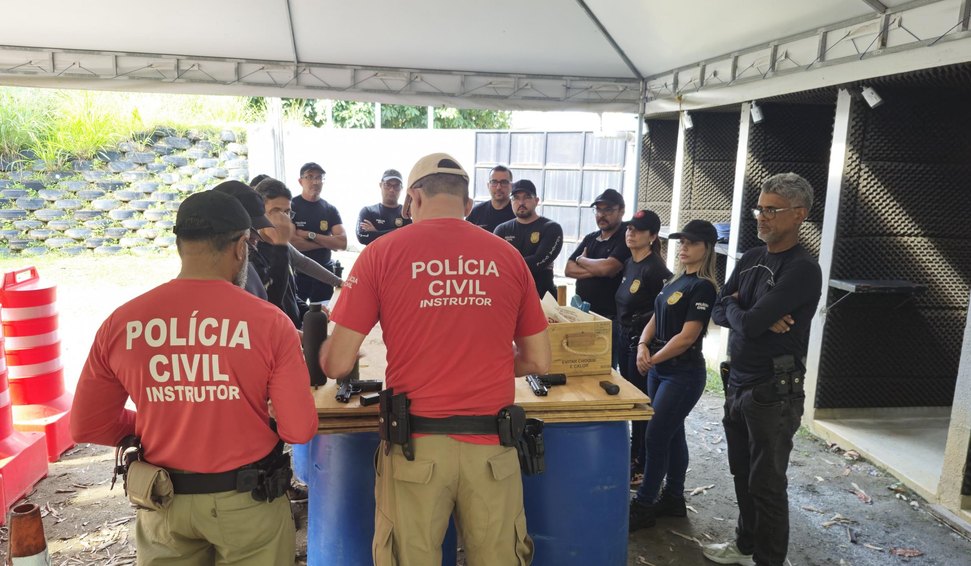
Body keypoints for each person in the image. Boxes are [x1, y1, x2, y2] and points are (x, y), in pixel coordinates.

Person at [321, 152, 550, 566]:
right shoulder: (508, 257)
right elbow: (538, 361)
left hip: (416, 449)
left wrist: (318, 345)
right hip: (492, 449)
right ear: (467, 204)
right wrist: (489, 361)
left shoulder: (380, 254)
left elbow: (337, 365)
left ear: (413, 199)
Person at [70, 190, 319, 564]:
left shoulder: (122, 322)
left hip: (162, 500)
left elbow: (87, 424)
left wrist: (166, 418)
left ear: (180, 246)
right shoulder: (270, 323)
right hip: (248, 504)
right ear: (241, 247)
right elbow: (299, 429)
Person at [704, 173, 822, 566]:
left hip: (773, 391)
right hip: (737, 382)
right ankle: (745, 546)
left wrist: (745, 313)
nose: (762, 217)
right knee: (741, 473)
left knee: (767, 485)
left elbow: (750, 323)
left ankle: (769, 560)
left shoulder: (803, 269)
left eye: (772, 210)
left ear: (799, 214)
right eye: (760, 209)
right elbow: (719, 309)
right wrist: (742, 310)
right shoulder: (752, 258)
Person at [628, 219, 719, 531]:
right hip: (661, 369)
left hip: (683, 372)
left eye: (692, 243)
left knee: (655, 436)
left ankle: (645, 504)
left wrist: (652, 358)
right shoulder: (675, 280)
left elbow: (687, 336)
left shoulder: (703, 287)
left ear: (707, 248)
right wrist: (643, 345)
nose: (684, 247)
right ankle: (674, 498)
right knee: (672, 433)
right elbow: (656, 317)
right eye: (682, 242)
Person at [615, 209, 672, 482]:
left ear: (652, 236)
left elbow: (666, 307)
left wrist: (644, 337)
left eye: (638, 230)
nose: (631, 233)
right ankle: (634, 453)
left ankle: (641, 463)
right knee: (630, 400)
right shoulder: (630, 263)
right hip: (624, 336)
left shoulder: (655, 268)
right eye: (629, 228)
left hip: (640, 343)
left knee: (640, 403)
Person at [255, 177, 342, 327]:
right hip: (280, 334)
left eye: (287, 212)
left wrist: (308, 310)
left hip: (295, 329)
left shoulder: (284, 247)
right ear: (259, 213)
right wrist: (281, 245)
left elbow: (290, 293)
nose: (283, 219)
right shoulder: (253, 254)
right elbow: (271, 300)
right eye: (275, 211)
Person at [564, 188, 631, 367]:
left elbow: (609, 267)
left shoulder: (625, 237)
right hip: (583, 315)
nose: (602, 215)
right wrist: (597, 269)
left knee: (604, 368)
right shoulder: (591, 238)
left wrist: (582, 260)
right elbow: (568, 269)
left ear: (622, 210)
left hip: (609, 319)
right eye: (598, 210)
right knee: (581, 364)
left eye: (608, 210)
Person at [494, 179, 564, 299]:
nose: (521, 202)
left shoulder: (551, 228)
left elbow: (538, 261)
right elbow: (495, 264)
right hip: (509, 296)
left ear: (536, 201)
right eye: (516, 198)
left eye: (527, 197)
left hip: (542, 299)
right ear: (511, 202)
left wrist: (507, 265)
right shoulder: (502, 230)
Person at [289, 162, 347, 303]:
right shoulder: (291, 206)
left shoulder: (330, 209)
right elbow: (293, 243)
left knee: (324, 313)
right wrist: (327, 242)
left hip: (324, 274)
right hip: (298, 274)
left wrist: (310, 235)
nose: (315, 182)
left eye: (319, 177)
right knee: (295, 314)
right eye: (310, 177)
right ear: (300, 181)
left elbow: (342, 243)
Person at [357, 168, 412, 245]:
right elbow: (363, 238)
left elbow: (410, 237)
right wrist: (401, 231)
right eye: (387, 185)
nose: (392, 190)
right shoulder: (368, 211)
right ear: (380, 185)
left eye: (396, 186)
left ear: (401, 188)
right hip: (375, 253)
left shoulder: (407, 213)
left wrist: (376, 233)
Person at [466, 165, 515, 233]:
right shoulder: (476, 212)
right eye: (494, 182)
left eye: (504, 182)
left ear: (511, 186)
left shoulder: (517, 213)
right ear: (488, 185)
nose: (498, 187)